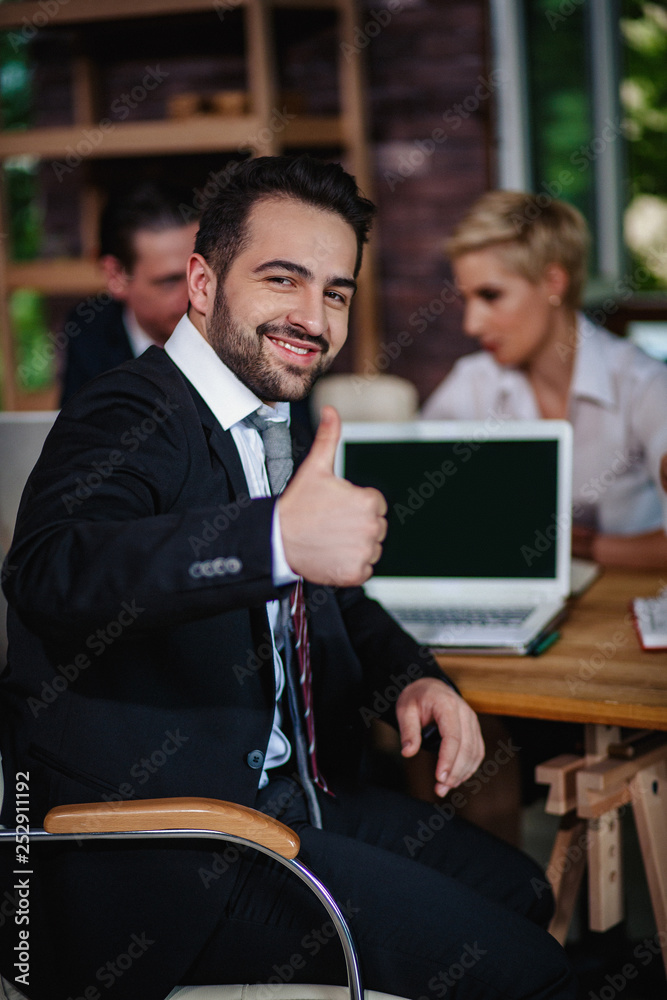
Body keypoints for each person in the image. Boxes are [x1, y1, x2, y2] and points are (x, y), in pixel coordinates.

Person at [0, 157, 576, 1000]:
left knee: (524, 889)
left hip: (290, 794)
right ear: (201, 282)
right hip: (170, 850)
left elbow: (332, 591)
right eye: (283, 280)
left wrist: (418, 679)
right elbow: (51, 572)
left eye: (336, 292)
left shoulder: (271, 415)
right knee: (535, 977)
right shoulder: (127, 410)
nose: (314, 318)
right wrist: (273, 536)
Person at [422, 190, 667, 570]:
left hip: (628, 603)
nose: (472, 324)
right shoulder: (472, 382)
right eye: (467, 300)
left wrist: (584, 548)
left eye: (491, 295)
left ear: (553, 281)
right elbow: (419, 508)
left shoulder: (644, 385)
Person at [59, 181, 199, 404]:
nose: (197, 295)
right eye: (170, 281)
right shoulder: (90, 335)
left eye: (203, 274)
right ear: (116, 276)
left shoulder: (233, 325)